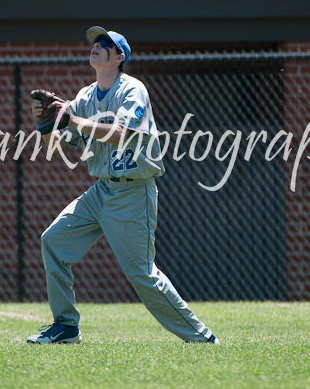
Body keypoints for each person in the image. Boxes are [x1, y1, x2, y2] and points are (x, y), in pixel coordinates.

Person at [27, 26, 218, 345]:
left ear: (119, 57)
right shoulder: (86, 96)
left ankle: (200, 337)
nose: (97, 46)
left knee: (142, 274)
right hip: (101, 191)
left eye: (105, 44)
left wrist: (69, 119)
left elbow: (122, 133)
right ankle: (65, 326)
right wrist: (45, 125)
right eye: (95, 42)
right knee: (53, 241)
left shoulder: (132, 89)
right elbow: (59, 146)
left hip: (133, 193)